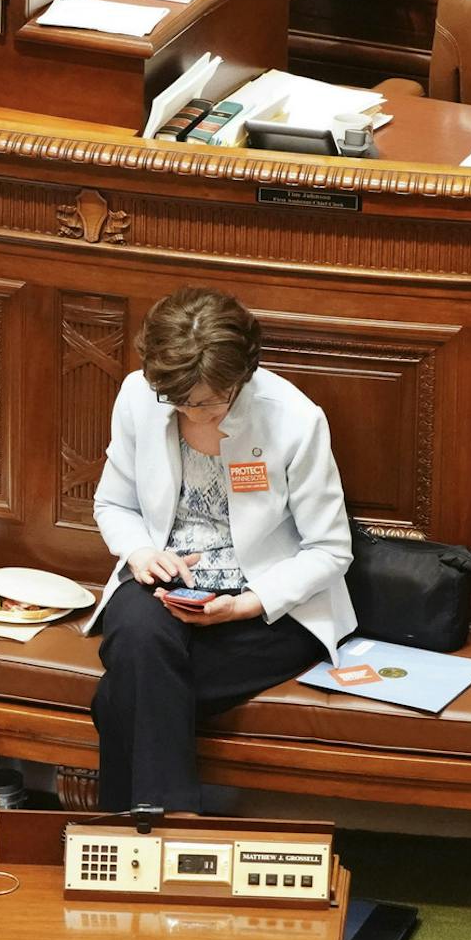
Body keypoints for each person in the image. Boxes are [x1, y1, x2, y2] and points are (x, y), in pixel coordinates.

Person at [85, 286, 354, 813]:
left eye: (207, 401)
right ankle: (175, 831)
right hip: (166, 582)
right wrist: (140, 553)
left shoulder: (295, 419)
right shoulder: (140, 395)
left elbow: (329, 550)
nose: (191, 411)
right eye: (178, 400)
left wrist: (246, 603)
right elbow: (112, 504)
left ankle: (131, 836)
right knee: (139, 635)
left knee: (128, 690)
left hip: (268, 606)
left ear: (241, 378)